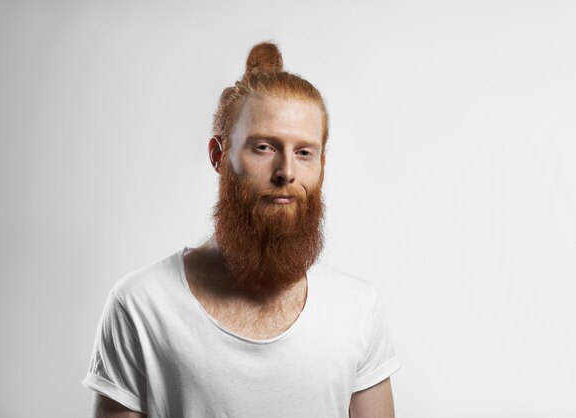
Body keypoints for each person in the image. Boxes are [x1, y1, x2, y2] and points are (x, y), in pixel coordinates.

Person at [82, 42, 400, 418]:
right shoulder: (141, 305)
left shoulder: (357, 309)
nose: (286, 172)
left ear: (322, 165)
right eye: (264, 147)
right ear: (219, 155)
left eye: (304, 152)